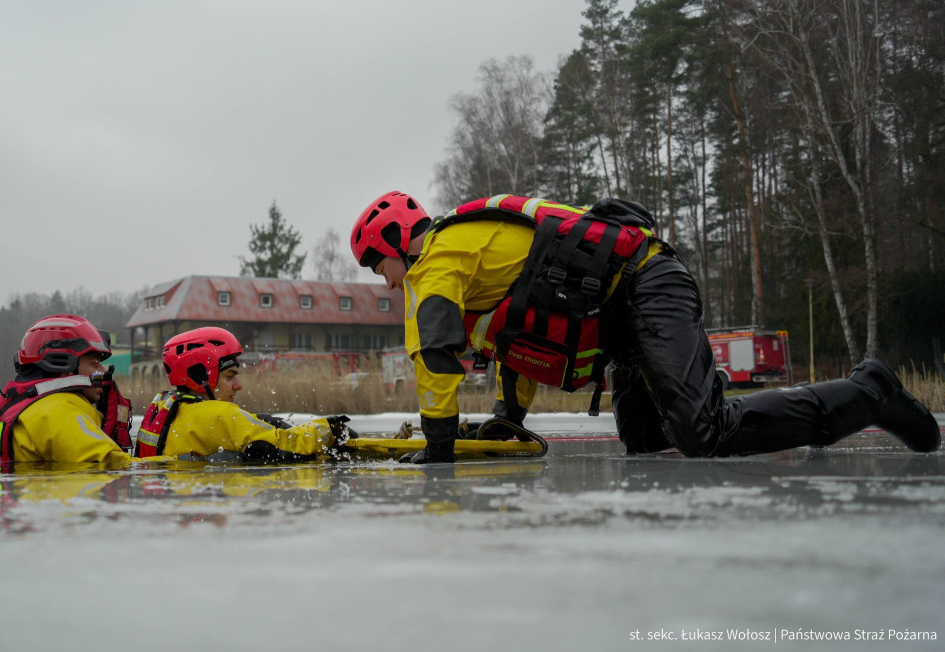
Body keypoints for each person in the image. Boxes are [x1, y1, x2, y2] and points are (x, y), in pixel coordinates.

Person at [350, 191, 942, 463]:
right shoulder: (467, 256)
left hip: (645, 283)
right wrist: (509, 422)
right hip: (621, 323)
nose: (386, 283)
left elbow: (433, 355)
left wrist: (438, 445)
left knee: (702, 431)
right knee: (646, 438)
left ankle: (868, 392)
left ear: (395, 243)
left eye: (379, 267)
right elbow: (514, 344)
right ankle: (827, 408)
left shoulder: (436, 262)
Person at [134, 326, 353, 462]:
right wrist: (328, 431)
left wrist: (262, 421)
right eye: (230, 377)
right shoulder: (220, 414)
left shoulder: (169, 408)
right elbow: (288, 444)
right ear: (200, 378)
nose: (239, 385)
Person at [0, 314, 135, 466]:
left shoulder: (36, 407)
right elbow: (111, 464)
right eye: (94, 363)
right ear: (64, 365)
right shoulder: (56, 411)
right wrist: (153, 463)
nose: (103, 372)